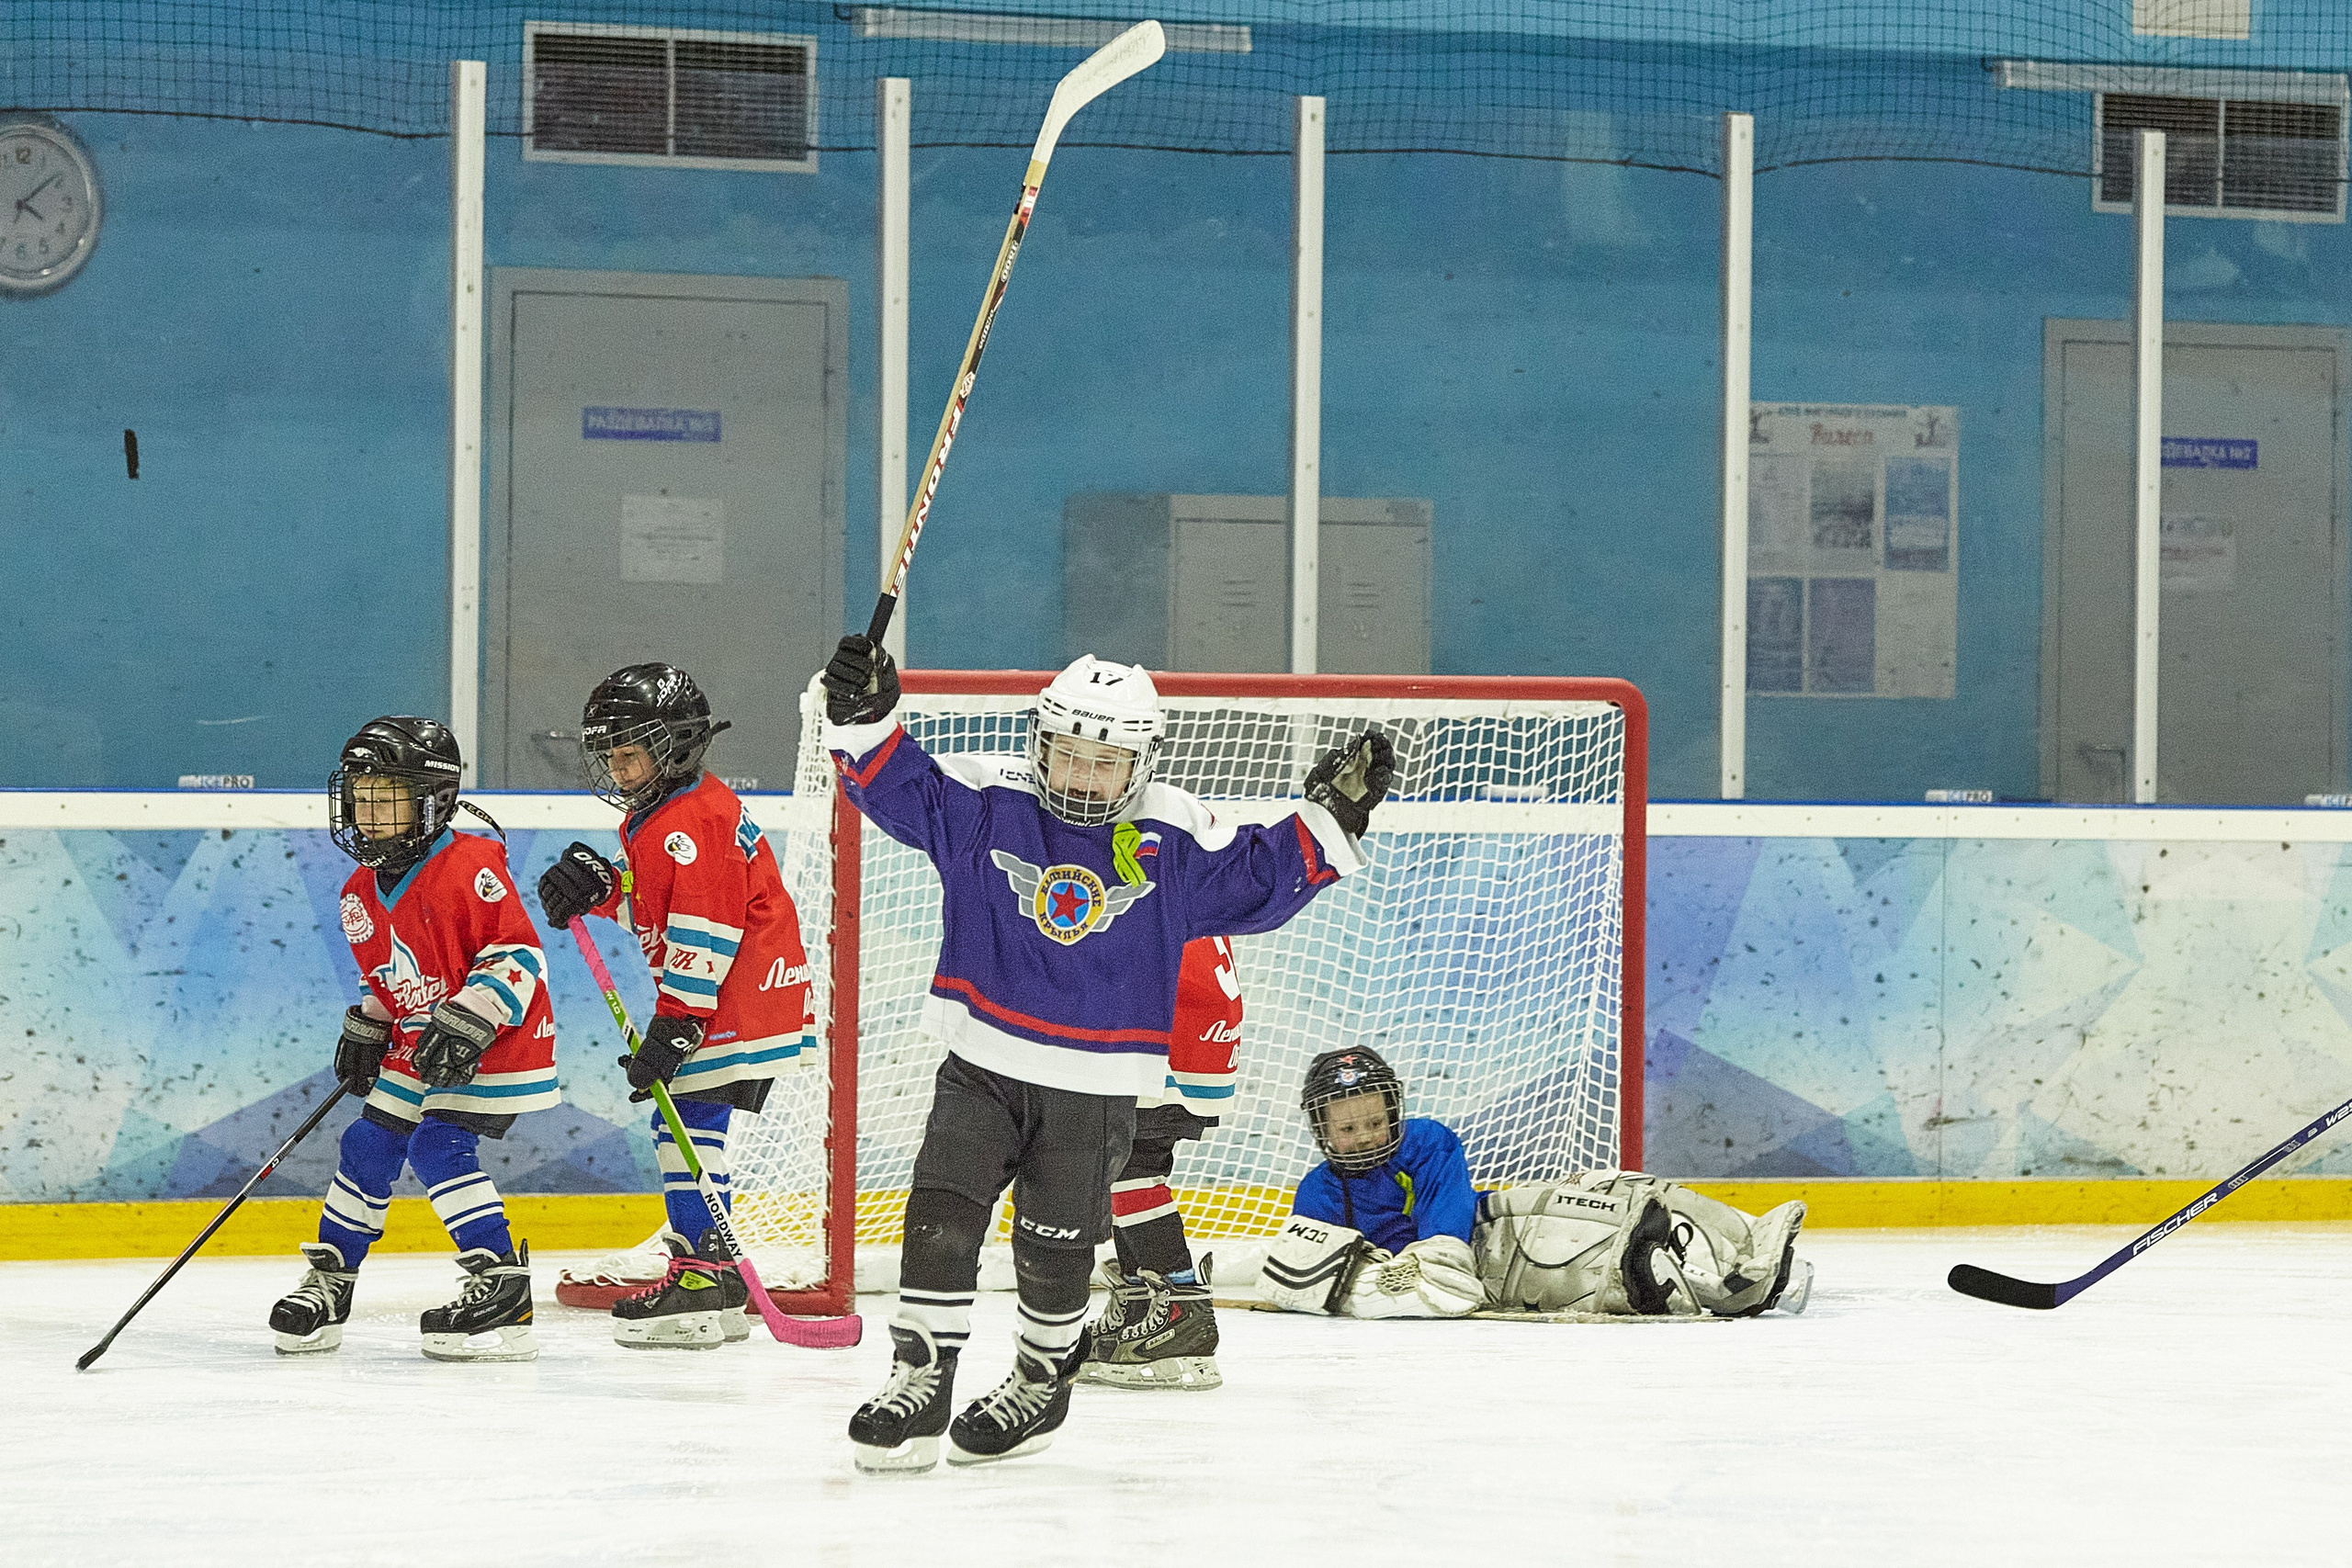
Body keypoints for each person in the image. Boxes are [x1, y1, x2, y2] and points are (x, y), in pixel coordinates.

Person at [821, 638, 1392, 1472]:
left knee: (1054, 1253)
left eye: (1107, 762)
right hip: (981, 1064)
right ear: (1038, 743)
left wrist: (1329, 820)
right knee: (940, 1218)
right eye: (1069, 755)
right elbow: (906, 790)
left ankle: (1042, 1378)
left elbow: (1257, 879)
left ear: (1143, 762)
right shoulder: (991, 802)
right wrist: (866, 716)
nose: (1084, 778)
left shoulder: (1169, 830)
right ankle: (922, 1375)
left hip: (1094, 1089)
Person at [536, 663, 812, 1349]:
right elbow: (656, 908)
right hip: (741, 996)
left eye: (631, 752)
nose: (618, 769)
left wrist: (680, 1021)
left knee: (683, 1128)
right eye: (611, 754)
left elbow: (705, 928)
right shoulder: (671, 813)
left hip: (732, 1000)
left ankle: (698, 1275)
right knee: (693, 1129)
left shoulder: (693, 819)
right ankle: (711, 1277)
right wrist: (602, 890)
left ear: (676, 744)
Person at [268, 716, 556, 1361]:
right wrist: (372, 1021)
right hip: (421, 1036)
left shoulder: (473, 865)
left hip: (497, 1034)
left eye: (384, 797)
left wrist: (475, 1014)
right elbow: (396, 973)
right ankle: (332, 1282)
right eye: (359, 796)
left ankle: (503, 1287)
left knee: (438, 1143)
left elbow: (518, 955)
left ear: (431, 799)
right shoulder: (357, 893)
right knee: (367, 1141)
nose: (366, 812)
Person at [1261, 1045, 1814, 1320]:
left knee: (1614, 1190)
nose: (1364, 1137)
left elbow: (1448, 1224)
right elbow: (1329, 1270)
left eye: (1375, 1122)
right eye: (1349, 1128)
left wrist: (1436, 1262)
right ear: (1322, 1129)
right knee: (1602, 1262)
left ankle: (1754, 1237)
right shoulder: (1317, 1193)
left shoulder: (1424, 1141)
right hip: (1491, 1274)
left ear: (1395, 1113)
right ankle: (1737, 1286)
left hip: (1486, 1233)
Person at [1080, 934, 1241, 1391]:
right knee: (1125, 1166)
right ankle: (1142, 1304)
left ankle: (1180, 1313)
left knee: (1128, 1168)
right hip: (1198, 1024)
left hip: (1169, 1025)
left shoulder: (1145, 862)